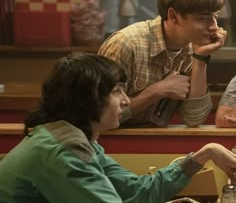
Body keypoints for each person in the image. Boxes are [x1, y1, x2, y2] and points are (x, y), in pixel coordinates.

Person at [0, 53, 236, 203]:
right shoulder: (63, 150)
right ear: (87, 99)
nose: (126, 100)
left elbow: (139, 192)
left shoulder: (75, 138)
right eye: (116, 91)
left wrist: (206, 153)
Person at [98, 0, 227, 127]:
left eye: (215, 16)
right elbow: (100, 116)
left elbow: (194, 119)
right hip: (112, 144)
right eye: (203, 18)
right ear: (173, 17)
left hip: (151, 142)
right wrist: (157, 91)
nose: (214, 27)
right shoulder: (126, 44)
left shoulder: (193, 47)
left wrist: (200, 59)